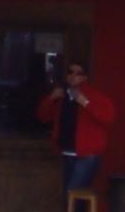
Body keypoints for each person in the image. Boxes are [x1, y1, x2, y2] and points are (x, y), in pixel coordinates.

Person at [38, 60, 113, 198]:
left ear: (85, 77)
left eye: (78, 73)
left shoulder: (94, 96)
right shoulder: (61, 96)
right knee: (74, 197)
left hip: (87, 155)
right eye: (70, 72)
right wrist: (51, 98)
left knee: (72, 195)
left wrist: (85, 102)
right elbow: (43, 116)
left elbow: (107, 117)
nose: (73, 76)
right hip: (68, 152)